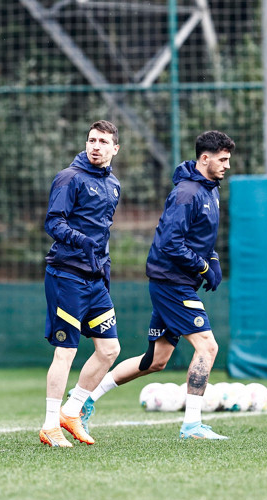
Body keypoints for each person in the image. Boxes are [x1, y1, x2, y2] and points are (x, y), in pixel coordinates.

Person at [79, 130, 236, 440]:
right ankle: (192, 425)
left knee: (155, 361)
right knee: (208, 346)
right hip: (171, 282)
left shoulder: (211, 190)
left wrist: (212, 261)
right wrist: (202, 266)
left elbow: (199, 239)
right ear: (205, 158)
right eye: (223, 159)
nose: (227, 165)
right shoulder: (187, 193)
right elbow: (170, 243)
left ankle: (85, 399)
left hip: (179, 281)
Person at [38, 120, 122, 448]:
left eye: (103, 141)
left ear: (115, 148)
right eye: (91, 140)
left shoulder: (113, 184)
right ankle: (49, 424)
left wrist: (105, 273)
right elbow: (53, 222)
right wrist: (80, 240)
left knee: (109, 348)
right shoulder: (69, 177)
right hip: (66, 275)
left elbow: (104, 236)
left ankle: (71, 411)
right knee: (67, 350)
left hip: (95, 278)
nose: (96, 146)